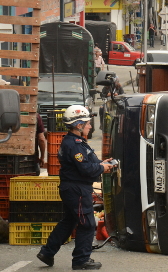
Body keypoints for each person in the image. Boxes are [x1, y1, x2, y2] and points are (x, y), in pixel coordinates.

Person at [37, 105, 115, 270]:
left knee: (69, 221)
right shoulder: (75, 145)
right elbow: (85, 168)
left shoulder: (76, 143)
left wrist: (101, 163)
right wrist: (102, 168)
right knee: (87, 224)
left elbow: (86, 163)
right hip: (77, 190)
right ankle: (81, 260)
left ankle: (47, 252)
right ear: (79, 125)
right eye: (87, 123)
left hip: (73, 188)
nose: (90, 126)